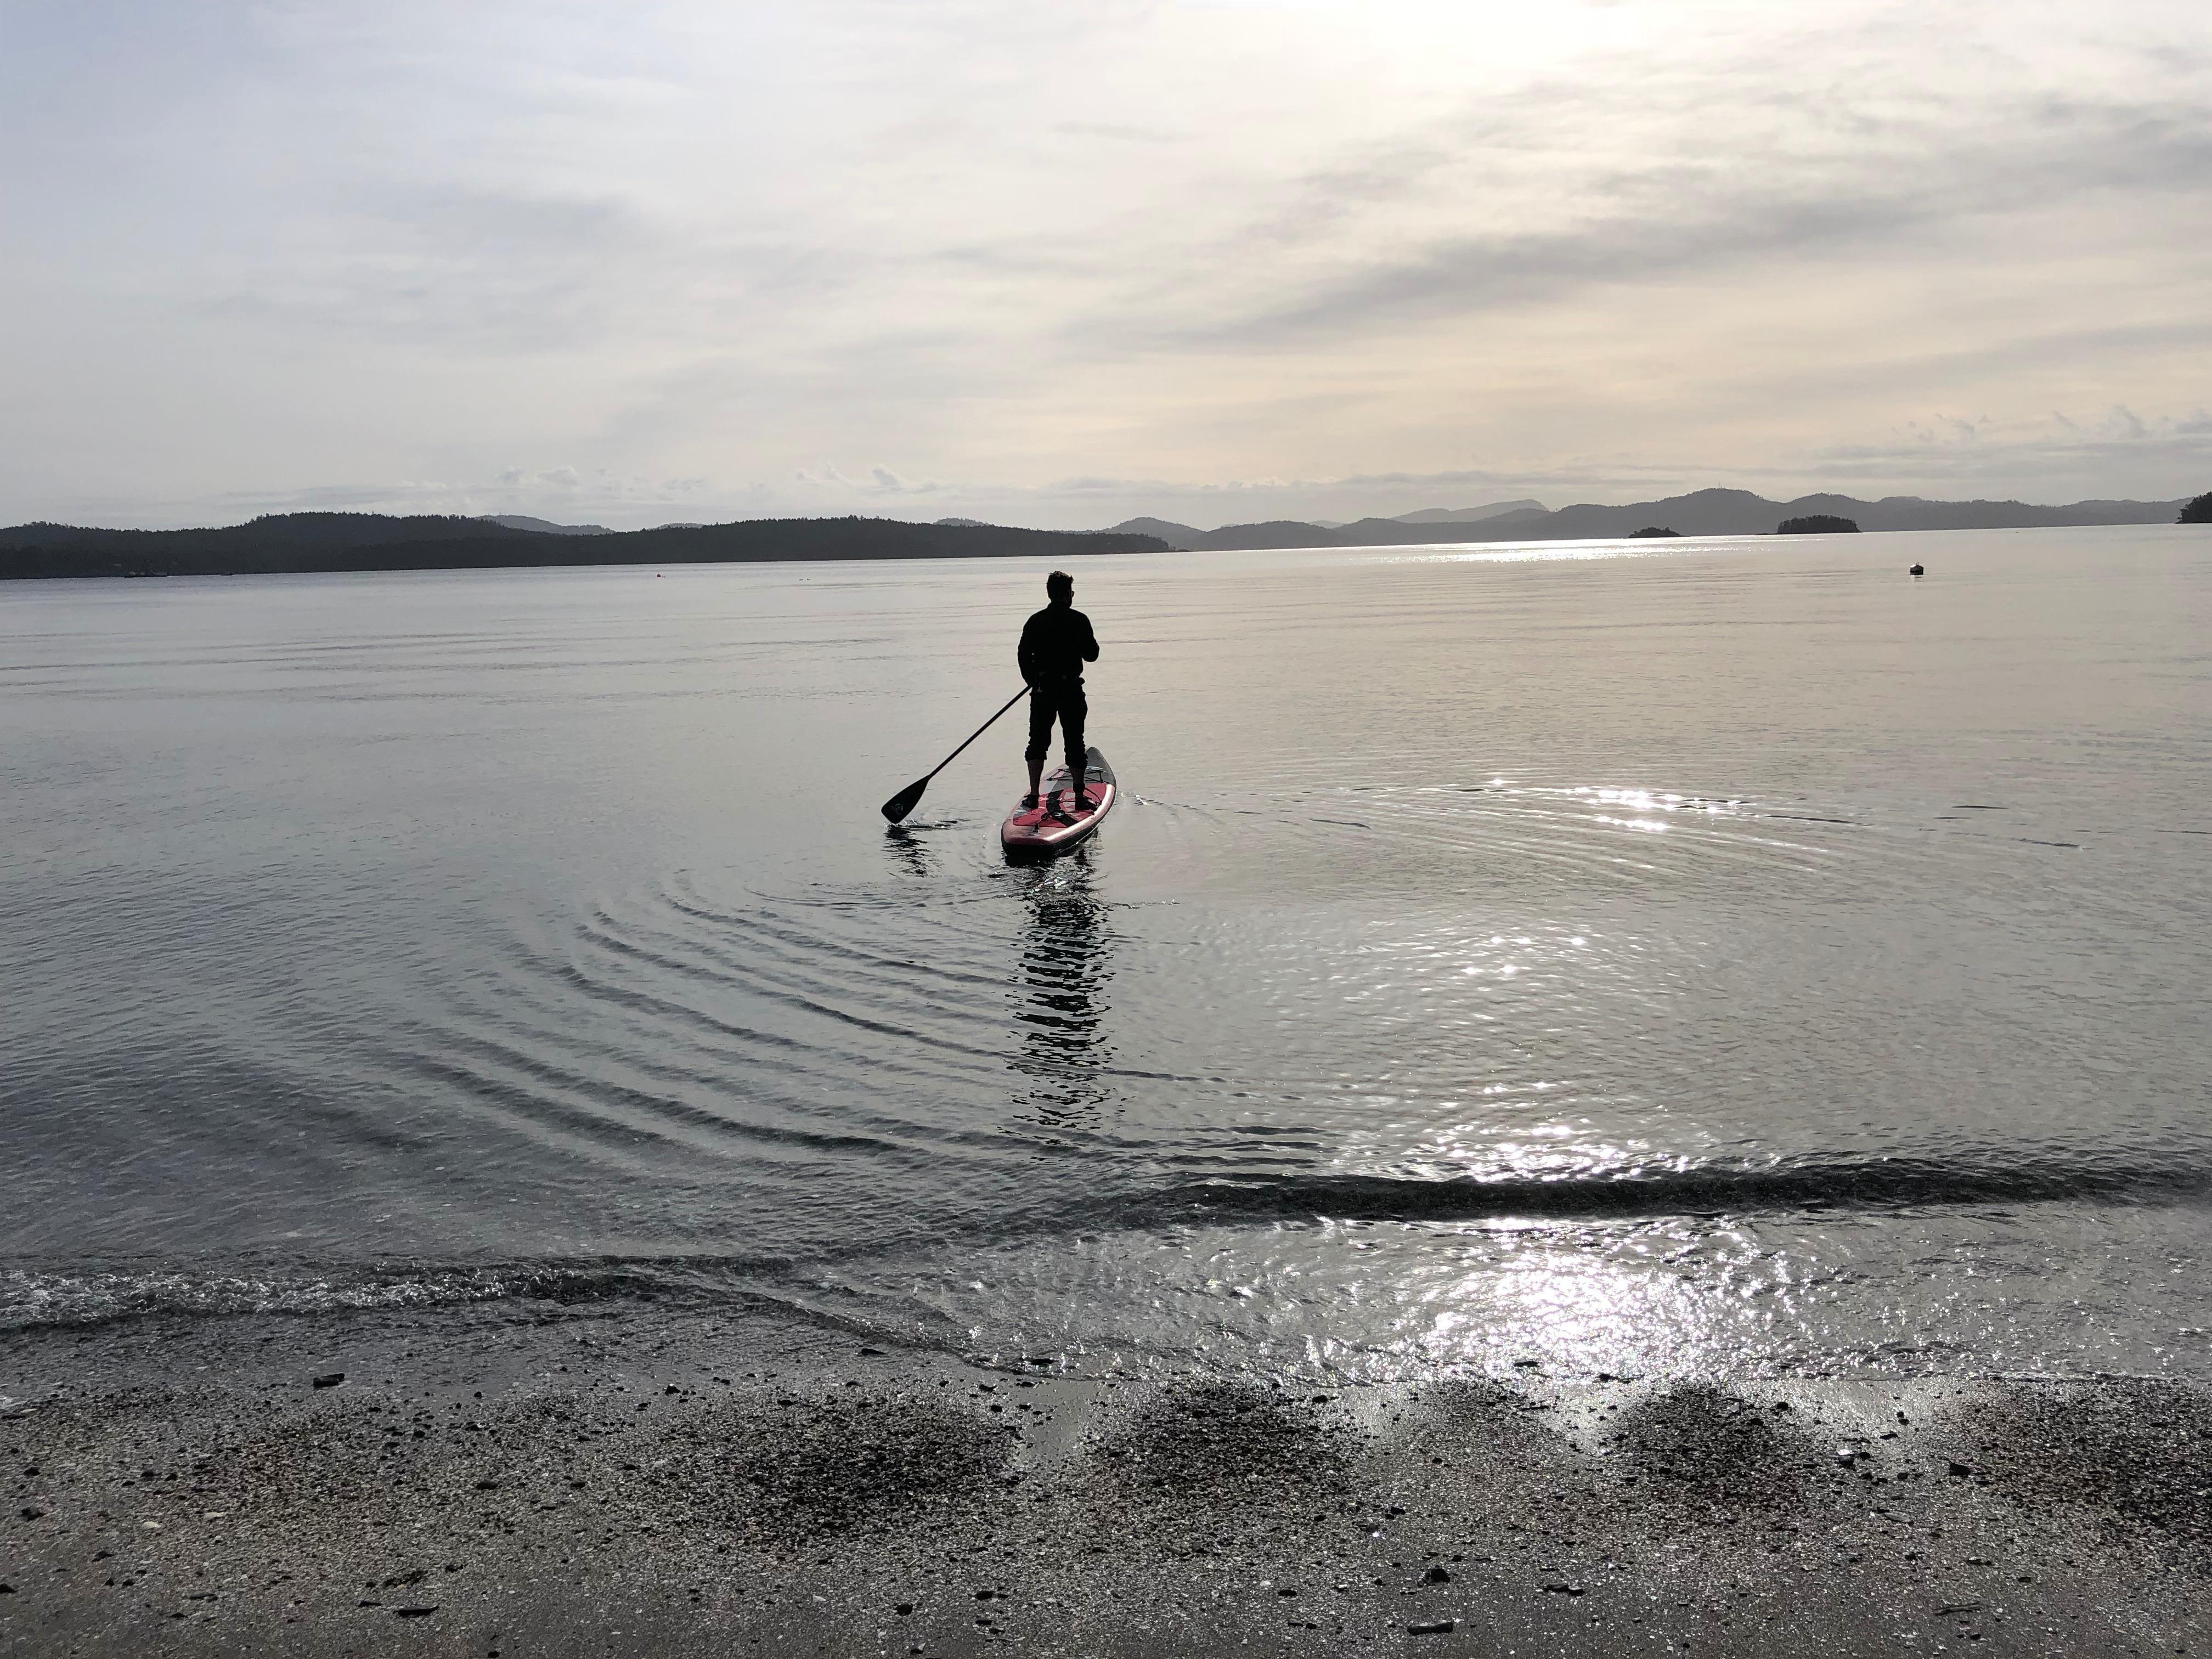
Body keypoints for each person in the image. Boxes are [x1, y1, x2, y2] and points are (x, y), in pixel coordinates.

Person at [1018, 570, 1101, 812]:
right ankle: (1078, 796)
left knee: (1037, 742)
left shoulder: (1035, 621)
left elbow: (1023, 655)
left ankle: (1034, 795)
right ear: (1067, 595)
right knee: (1075, 741)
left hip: (1042, 689)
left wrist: (1032, 680)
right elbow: (1092, 655)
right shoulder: (1079, 620)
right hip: (1070, 689)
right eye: (1072, 592)